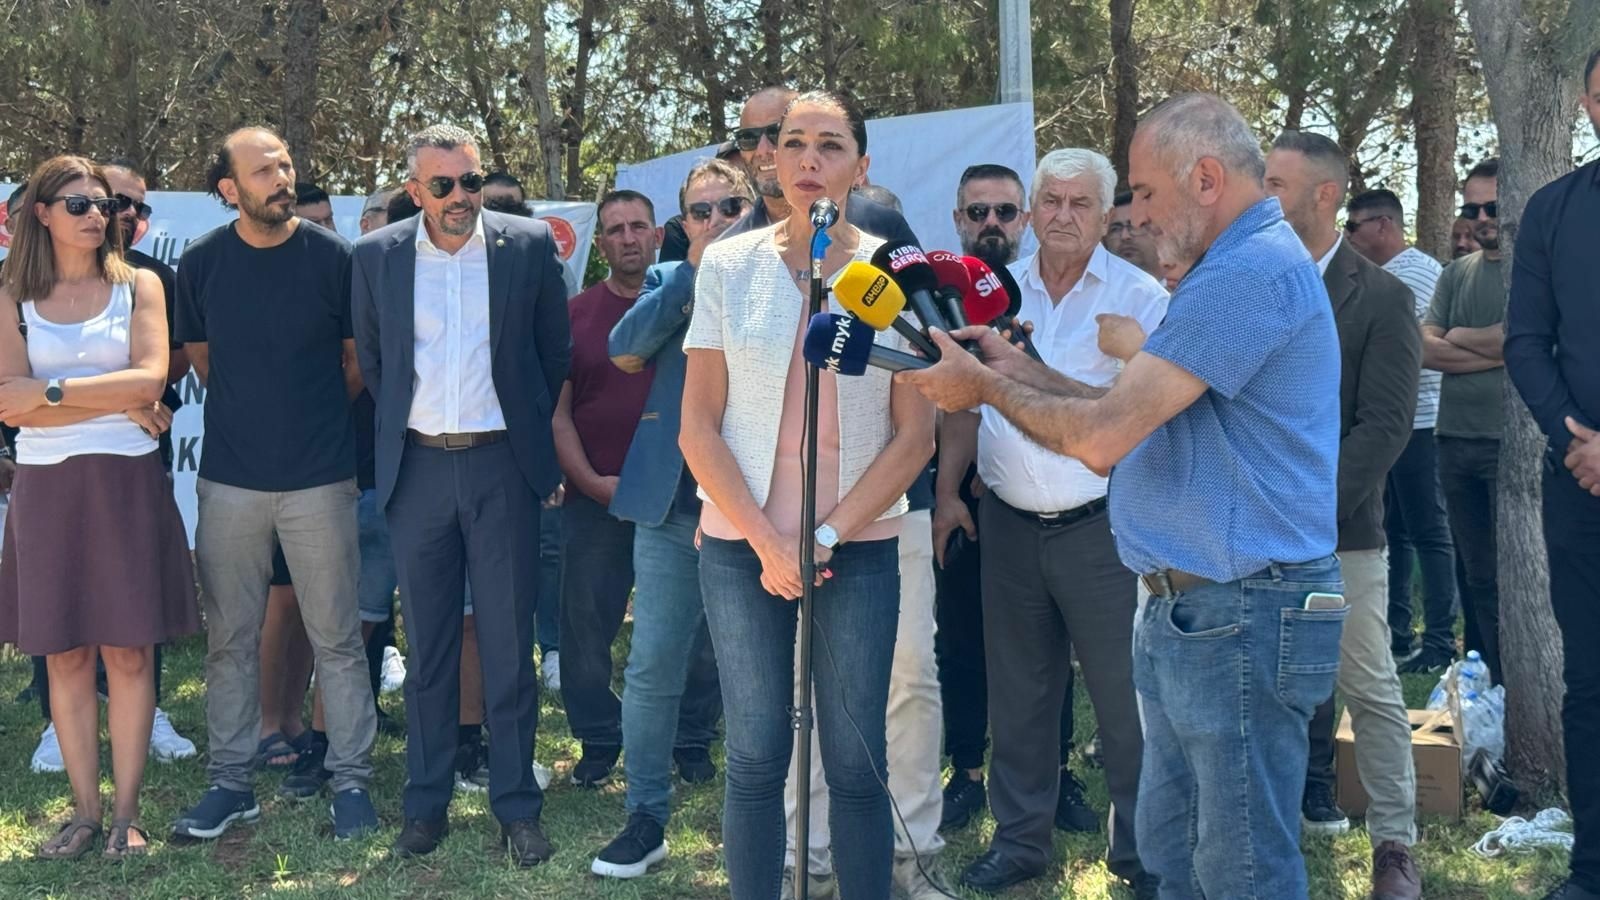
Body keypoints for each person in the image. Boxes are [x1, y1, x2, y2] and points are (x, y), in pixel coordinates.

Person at [900, 93, 1348, 900]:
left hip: (1239, 609)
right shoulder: (1234, 267)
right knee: (1176, 856)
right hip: (1199, 605)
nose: (1133, 215)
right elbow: (1133, 414)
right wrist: (1017, 367)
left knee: (1238, 867)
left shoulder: (1243, 274)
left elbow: (1105, 437)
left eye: (1141, 191)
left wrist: (985, 388)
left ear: (1205, 179)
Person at [679, 89, 936, 900]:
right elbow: (697, 427)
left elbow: (915, 437)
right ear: (771, 159)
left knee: (856, 761)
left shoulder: (891, 274)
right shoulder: (728, 265)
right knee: (757, 756)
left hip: (856, 546)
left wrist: (825, 537)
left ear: (862, 165)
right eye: (793, 143)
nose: (808, 160)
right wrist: (767, 542)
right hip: (742, 548)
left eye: (830, 145)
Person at [937, 149, 1163, 897]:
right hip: (1007, 522)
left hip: (1104, 529)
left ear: (1105, 215)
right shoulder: (993, 291)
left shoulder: (1139, 300)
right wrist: (948, 491)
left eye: (1081, 203)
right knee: (1019, 696)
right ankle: (1019, 843)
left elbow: (1139, 421)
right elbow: (966, 399)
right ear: (1032, 214)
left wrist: (1040, 380)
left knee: (1124, 702)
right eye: (1053, 202)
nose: (1064, 216)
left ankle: (1140, 855)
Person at [352, 124, 570, 866]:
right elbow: (376, 364)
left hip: (501, 467)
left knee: (508, 646)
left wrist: (524, 440)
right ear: (415, 190)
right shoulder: (376, 255)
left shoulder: (528, 246)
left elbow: (553, 354)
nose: (460, 197)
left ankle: (517, 808)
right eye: (442, 184)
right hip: (417, 470)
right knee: (429, 649)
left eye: (470, 181)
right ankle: (425, 805)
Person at [171, 126, 378, 842]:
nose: (282, 177)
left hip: (321, 480)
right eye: (263, 170)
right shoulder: (201, 263)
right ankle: (231, 783)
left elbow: (356, 364)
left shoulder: (334, 258)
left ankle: (352, 782)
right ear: (229, 188)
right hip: (230, 481)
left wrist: (306, 424)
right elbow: (205, 364)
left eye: (285, 164)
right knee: (229, 639)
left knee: (337, 638)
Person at [0, 156, 199, 859]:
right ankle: (85, 813)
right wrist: (114, 397)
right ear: (42, 214)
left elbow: (151, 379)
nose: (97, 216)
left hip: (126, 481)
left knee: (131, 652)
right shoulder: (10, 293)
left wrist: (50, 394)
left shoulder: (141, 285)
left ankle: (126, 816)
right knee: (66, 654)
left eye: (105, 205)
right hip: (46, 486)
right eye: (79, 204)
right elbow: (7, 401)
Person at [1266, 132, 1423, 899]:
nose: (1262, 195)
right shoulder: (1250, 281)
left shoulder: (1384, 297)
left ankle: (1395, 844)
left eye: (1276, 183)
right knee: (1260, 692)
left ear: (1323, 195)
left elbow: (1385, 426)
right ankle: (1264, 834)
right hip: (1248, 531)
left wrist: (1307, 514)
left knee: (1369, 685)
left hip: (1340, 532)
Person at [588, 157, 749, 880]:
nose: (716, 222)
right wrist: (692, 272)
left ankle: (773, 817)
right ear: (682, 224)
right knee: (653, 665)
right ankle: (645, 818)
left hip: (757, 507)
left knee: (762, 670)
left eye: (729, 207)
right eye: (701, 212)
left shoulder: (785, 275)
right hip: (672, 507)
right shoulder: (667, 279)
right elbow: (624, 351)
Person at [938, 161, 1089, 839]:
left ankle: (1058, 773)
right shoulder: (936, 296)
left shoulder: (1044, 292)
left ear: (1024, 220)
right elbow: (950, 404)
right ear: (958, 221)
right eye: (978, 212)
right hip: (971, 497)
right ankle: (967, 770)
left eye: (1005, 211)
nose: (992, 224)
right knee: (962, 639)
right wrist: (949, 488)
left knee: (1050, 649)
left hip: (1058, 500)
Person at [555, 188, 718, 789]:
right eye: (615, 229)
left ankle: (691, 737)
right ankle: (599, 737)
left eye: (638, 226)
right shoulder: (576, 315)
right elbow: (558, 414)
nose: (627, 237)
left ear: (658, 235)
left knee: (700, 627)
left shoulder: (696, 295)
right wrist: (590, 481)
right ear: (600, 244)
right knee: (585, 624)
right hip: (598, 497)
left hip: (683, 495)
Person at [1503, 46, 1600, 900]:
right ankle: (1593, 866)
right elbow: (1527, 343)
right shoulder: (1555, 210)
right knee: (1591, 683)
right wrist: (1578, 442)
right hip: (1581, 484)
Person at [453, 181, 564, 690]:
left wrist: (529, 422)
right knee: (456, 611)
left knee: (513, 603)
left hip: (515, 454)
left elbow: (554, 354)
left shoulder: (533, 253)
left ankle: (545, 658)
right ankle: (461, 725)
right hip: (433, 458)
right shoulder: (414, 260)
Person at [1344, 187, 1457, 673]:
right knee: (1394, 531)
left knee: (1429, 532)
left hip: (1422, 421)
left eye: (1354, 226)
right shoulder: (1382, 277)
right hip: (1396, 424)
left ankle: (1439, 643)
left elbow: (1421, 348)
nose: (1347, 236)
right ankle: (1396, 631)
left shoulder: (1412, 273)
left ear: (1384, 225)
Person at [1423, 158, 1506, 684]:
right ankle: (1491, 681)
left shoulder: (1536, 267)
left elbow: (1523, 339)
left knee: (1518, 577)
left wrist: (1457, 337)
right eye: (1472, 209)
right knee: (1477, 576)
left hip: (1509, 444)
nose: (1481, 219)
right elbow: (1423, 348)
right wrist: (1496, 348)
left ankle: (1523, 685)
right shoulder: (1455, 273)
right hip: (1454, 440)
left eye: (1492, 207)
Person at [719, 86, 918, 247]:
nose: (763, 150)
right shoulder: (727, 255)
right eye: (748, 138)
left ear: (860, 168)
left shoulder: (883, 228)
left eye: (775, 133)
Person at [1104, 190, 1163, 279]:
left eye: (1134, 226)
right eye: (1115, 229)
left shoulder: (1183, 284)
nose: (1125, 236)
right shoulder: (1091, 286)